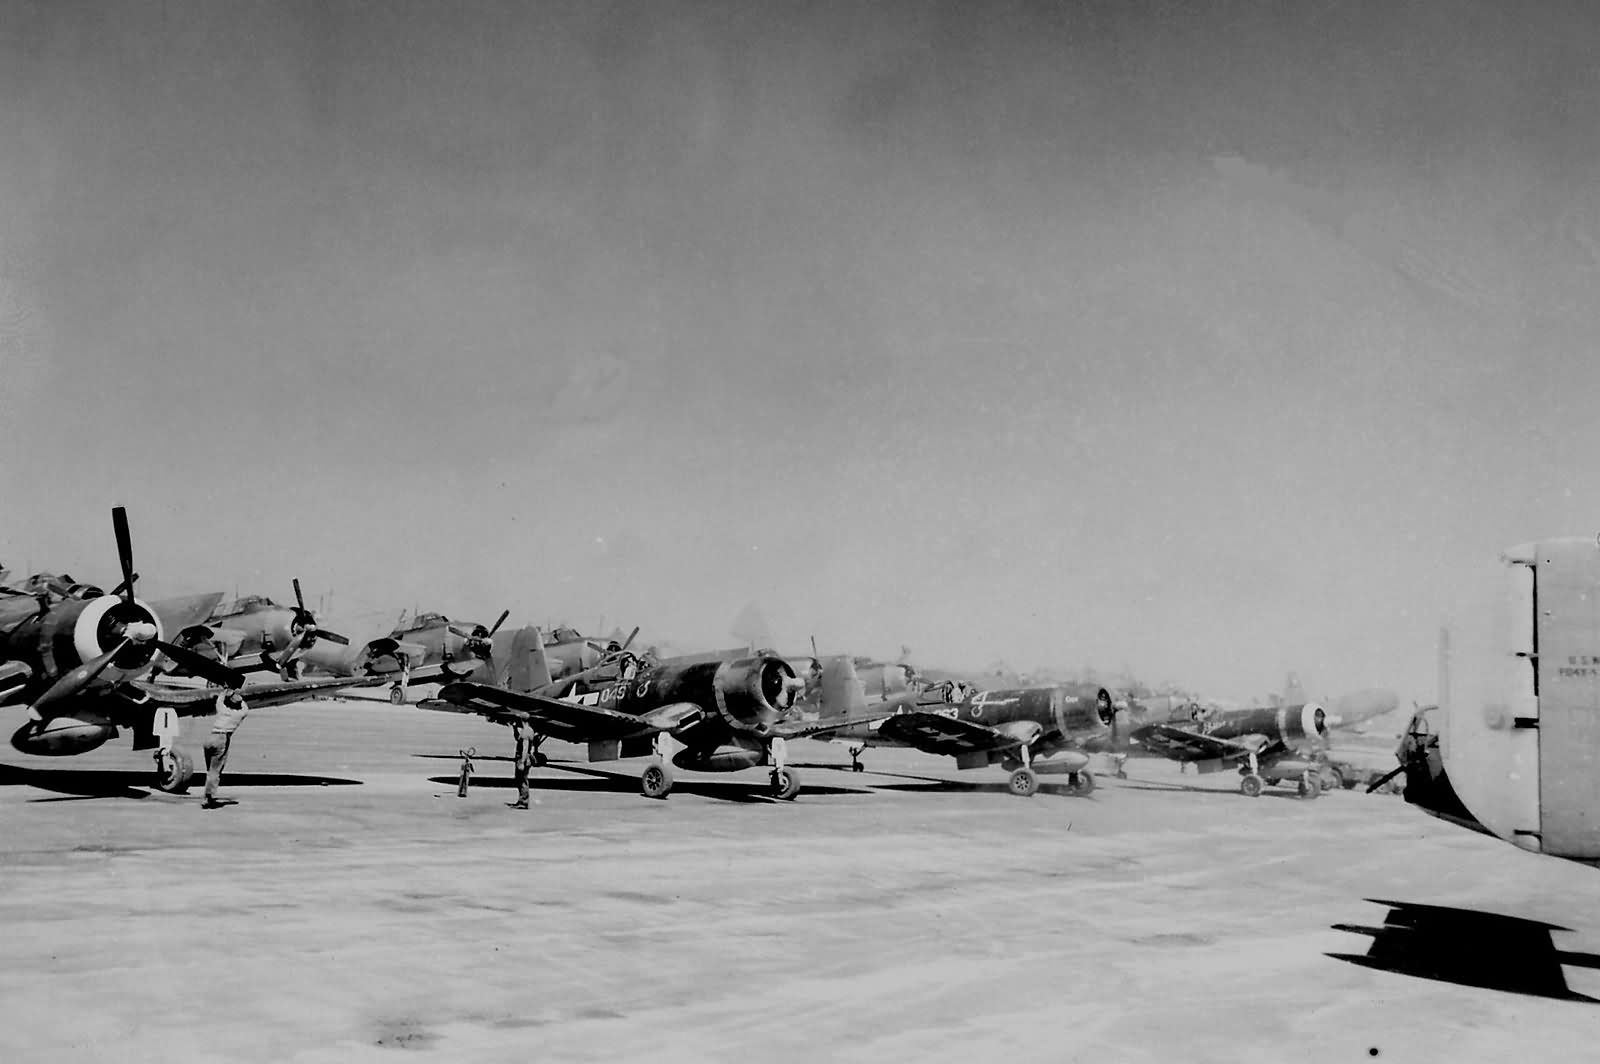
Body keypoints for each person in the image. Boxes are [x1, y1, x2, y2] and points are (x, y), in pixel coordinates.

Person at [202, 689, 250, 809]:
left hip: (210, 737)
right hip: (222, 738)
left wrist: (226, 691)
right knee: (215, 770)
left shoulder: (222, 710)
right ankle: (208, 797)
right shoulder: (239, 714)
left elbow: (220, 699)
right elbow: (245, 706)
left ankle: (208, 794)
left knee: (210, 769)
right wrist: (238, 697)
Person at [509, 721, 535, 809]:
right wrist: (515, 729)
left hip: (523, 758)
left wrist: (522, 762)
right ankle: (521, 800)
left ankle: (524, 802)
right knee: (519, 779)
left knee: (522, 780)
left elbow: (525, 748)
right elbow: (518, 739)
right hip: (522, 758)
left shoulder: (526, 731)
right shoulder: (526, 730)